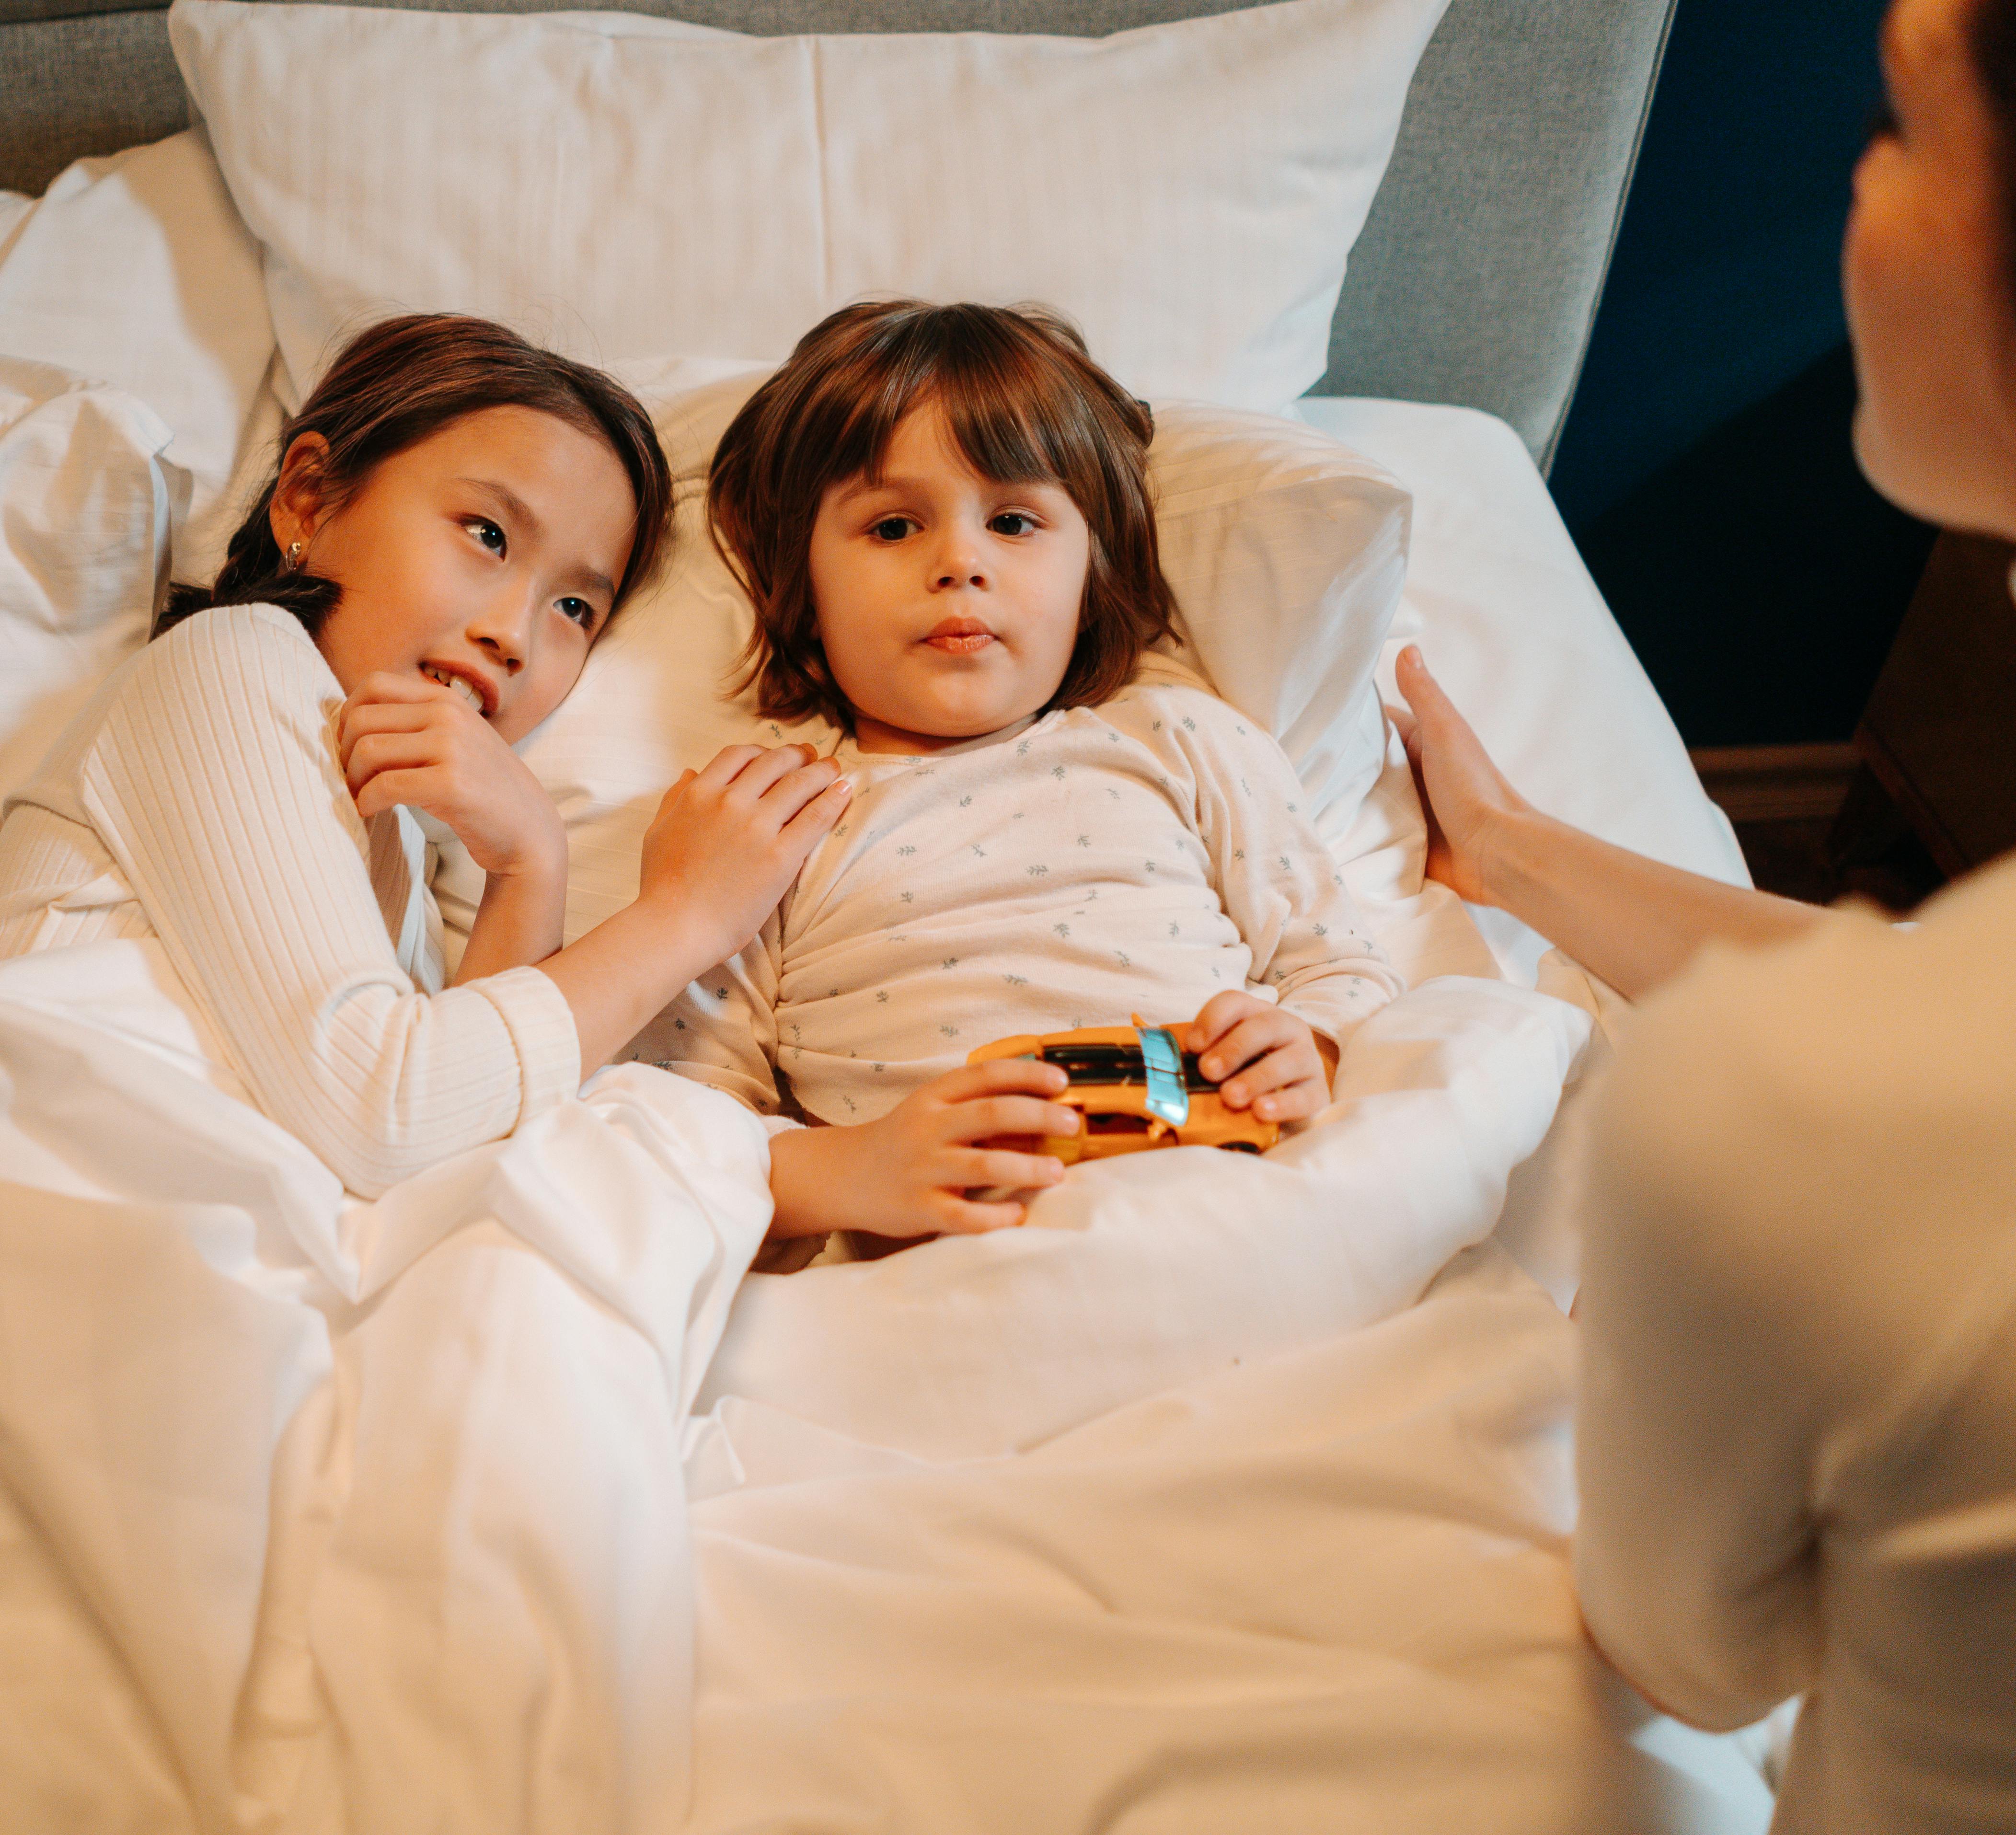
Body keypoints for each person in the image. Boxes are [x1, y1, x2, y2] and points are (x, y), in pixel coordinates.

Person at [1393, 0, 2016, 1822]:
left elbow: (1682, 1653)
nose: (1851, 186)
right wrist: (1507, 848)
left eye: (1895, 124)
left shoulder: (1785, 1113)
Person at [0, 314, 852, 1196]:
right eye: (487, 534)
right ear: (308, 496)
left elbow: (458, 1154)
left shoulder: (398, 838)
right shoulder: (232, 661)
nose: (514, 635)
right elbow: (386, 1115)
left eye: (575, 607)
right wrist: (685, 918)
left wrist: (526, 868)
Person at [634, 301, 1400, 1246]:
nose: (959, 561)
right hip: (952, 1266)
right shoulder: (767, 819)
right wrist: (851, 1174)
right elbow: (682, 1134)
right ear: (802, 585)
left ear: (1093, 572)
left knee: (1499, 1044)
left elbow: (1343, 968)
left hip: (1232, 1209)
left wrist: (1312, 1048)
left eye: (1011, 520)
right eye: (891, 527)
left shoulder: (1183, 739)